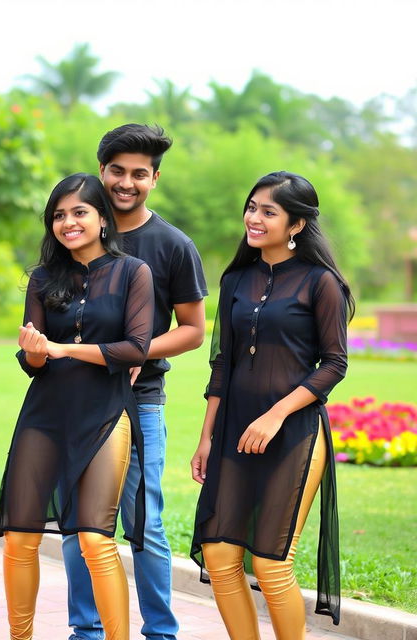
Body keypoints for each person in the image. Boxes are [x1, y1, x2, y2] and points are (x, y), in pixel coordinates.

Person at [190, 171, 354, 639]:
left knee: (269, 561)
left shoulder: (321, 283)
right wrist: (207, 437)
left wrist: (276, 414)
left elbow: (334, 365)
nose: (254, 218)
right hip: (233, 432)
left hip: (294, 434)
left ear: (296, 224)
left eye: (269, 211)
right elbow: (222, 362)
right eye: (252, 207)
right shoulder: (236, 279)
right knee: (221, 557)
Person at [62, 124, 207, 640]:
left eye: (139, 174)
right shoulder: (76, 230)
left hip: (138, 403)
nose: (127, 183)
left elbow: (193, 331)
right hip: (74, 402)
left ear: (155, 178)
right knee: (79, 526)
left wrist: (134, 352)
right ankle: (87, 630)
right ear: (102, 172)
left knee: (143, 523)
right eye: (117, 171)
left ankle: (161, 632)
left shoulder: (172, 245)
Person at [0, 173, 154, 640]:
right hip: (45, 415)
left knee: (93, 537)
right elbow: (32, 361)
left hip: (106, 413)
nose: (68, 222)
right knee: (20, 536)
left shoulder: (132, 273)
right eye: (59, 215)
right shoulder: (43, 278)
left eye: (79, 212)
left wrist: (63, 350)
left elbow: (135, 348)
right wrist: (37, 352)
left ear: (103, 218)